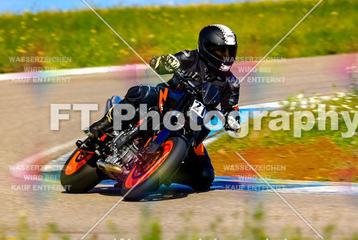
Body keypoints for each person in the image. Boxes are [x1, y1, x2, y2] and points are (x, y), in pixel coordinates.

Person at [86, 24, 241, 191]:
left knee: (204, 176)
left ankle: (160, 171)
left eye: (230, 52)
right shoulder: (190, 57)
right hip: (166, 103)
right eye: (222, 51)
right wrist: (166, 62)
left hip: (192, 128)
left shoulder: (231, 83)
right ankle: (102, 126)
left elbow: (231, 108)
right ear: (206, 47)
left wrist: (232, 119)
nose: (227, 57)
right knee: (141, 92)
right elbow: (161, 64)